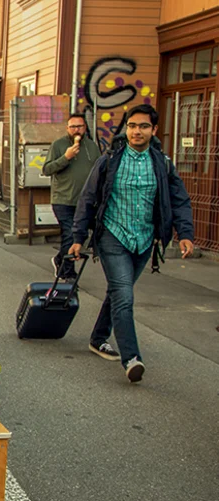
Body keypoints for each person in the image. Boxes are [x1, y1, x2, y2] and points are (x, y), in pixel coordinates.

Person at [70, 104, 195, 382]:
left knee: (118, 292)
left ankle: (98, 337)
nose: (137, 131)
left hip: (144, 240)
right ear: (126, 128)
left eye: (143, 126)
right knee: (124, 296)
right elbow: (88, 199)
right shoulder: (110, 160)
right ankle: (132, 358)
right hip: (112, 236)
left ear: (154, 130)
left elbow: (179, 200)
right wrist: (78, 238)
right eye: (132, 126)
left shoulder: (162, 163)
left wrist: (185, 233)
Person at [42, 113, 101, 281]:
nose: (77, 130)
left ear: (85, 128)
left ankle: (60, 259)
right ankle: (68, 273)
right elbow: (46, 169)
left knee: (79, 236)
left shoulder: (91, 147)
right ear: (67, 128)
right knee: (70, 234)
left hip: (85, 201)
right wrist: (66, 157)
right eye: (73, 127)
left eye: (80, 126)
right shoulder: (58, 145)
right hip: (63, 199)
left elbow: (99, 170)